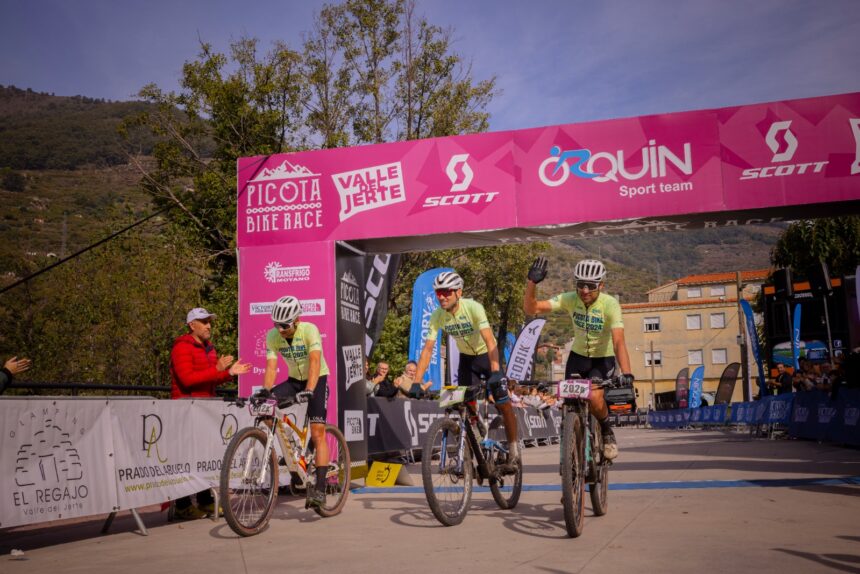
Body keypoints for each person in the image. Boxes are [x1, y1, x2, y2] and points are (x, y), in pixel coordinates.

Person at [524, 256, 633, 460]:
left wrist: (627, 373)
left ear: (601, 285)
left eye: (590, 286)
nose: (584, 290)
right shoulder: (570, 299)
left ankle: (606, 430)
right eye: (580, 284)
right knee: (569, 402)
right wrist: (531, 283)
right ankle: (572, 442)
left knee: (594, 397)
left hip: (603, 359)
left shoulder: (610, 304)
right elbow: (532, 309)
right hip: (578, 357)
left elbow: (619, 341)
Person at [413, 271, 521, 469]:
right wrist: (416, 381)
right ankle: (478, 432)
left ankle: (514, 450)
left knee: (503, 403)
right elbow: (427, 349)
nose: (442, 296)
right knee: (465, 403)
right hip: (466, 360)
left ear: (459, 292)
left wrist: (496, 371)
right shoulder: (437, 315)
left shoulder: (473, 307)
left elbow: (490, 341)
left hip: (487, 356)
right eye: (438, 293)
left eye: (447, 292)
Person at [170, 307, 250, 519]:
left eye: (209, 321)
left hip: (204, 410)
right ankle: (182, 505)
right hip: (185, 410)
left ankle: (205, 501)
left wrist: (229, 373)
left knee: (203, 457)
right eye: (204, 321)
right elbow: (187, 379)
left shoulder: (209, 348)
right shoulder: (181, 347)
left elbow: (210, 379)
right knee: (186, 459)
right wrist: (217, 369)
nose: (208, 326)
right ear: (191, 325)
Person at [261, 295, 331, 509]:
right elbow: (271, 367)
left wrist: (309, 389)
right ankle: (292, 451)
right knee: (266, 409)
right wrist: (265, 391)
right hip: (293, 380)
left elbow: (315, 361)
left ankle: (320, 488)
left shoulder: (309, 330)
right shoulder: (272, 336)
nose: (280, 329)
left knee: (318, 433)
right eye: (276, 324)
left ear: (297, 320)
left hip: (316, 379)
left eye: (285, 325)